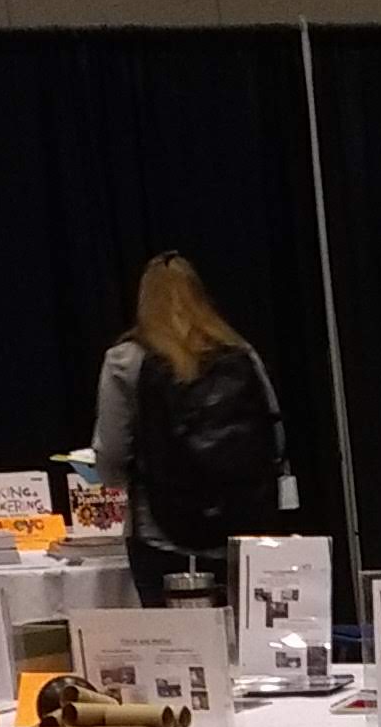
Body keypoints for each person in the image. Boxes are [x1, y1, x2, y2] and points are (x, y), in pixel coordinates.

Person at [94, 252, 290, 605]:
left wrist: (118, 478)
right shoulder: (241, 352)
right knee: (245, 648)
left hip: (160, 535)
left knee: (174, 651)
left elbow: (111, 453)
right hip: (242, 533)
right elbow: (275, 439)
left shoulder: (125, 360)